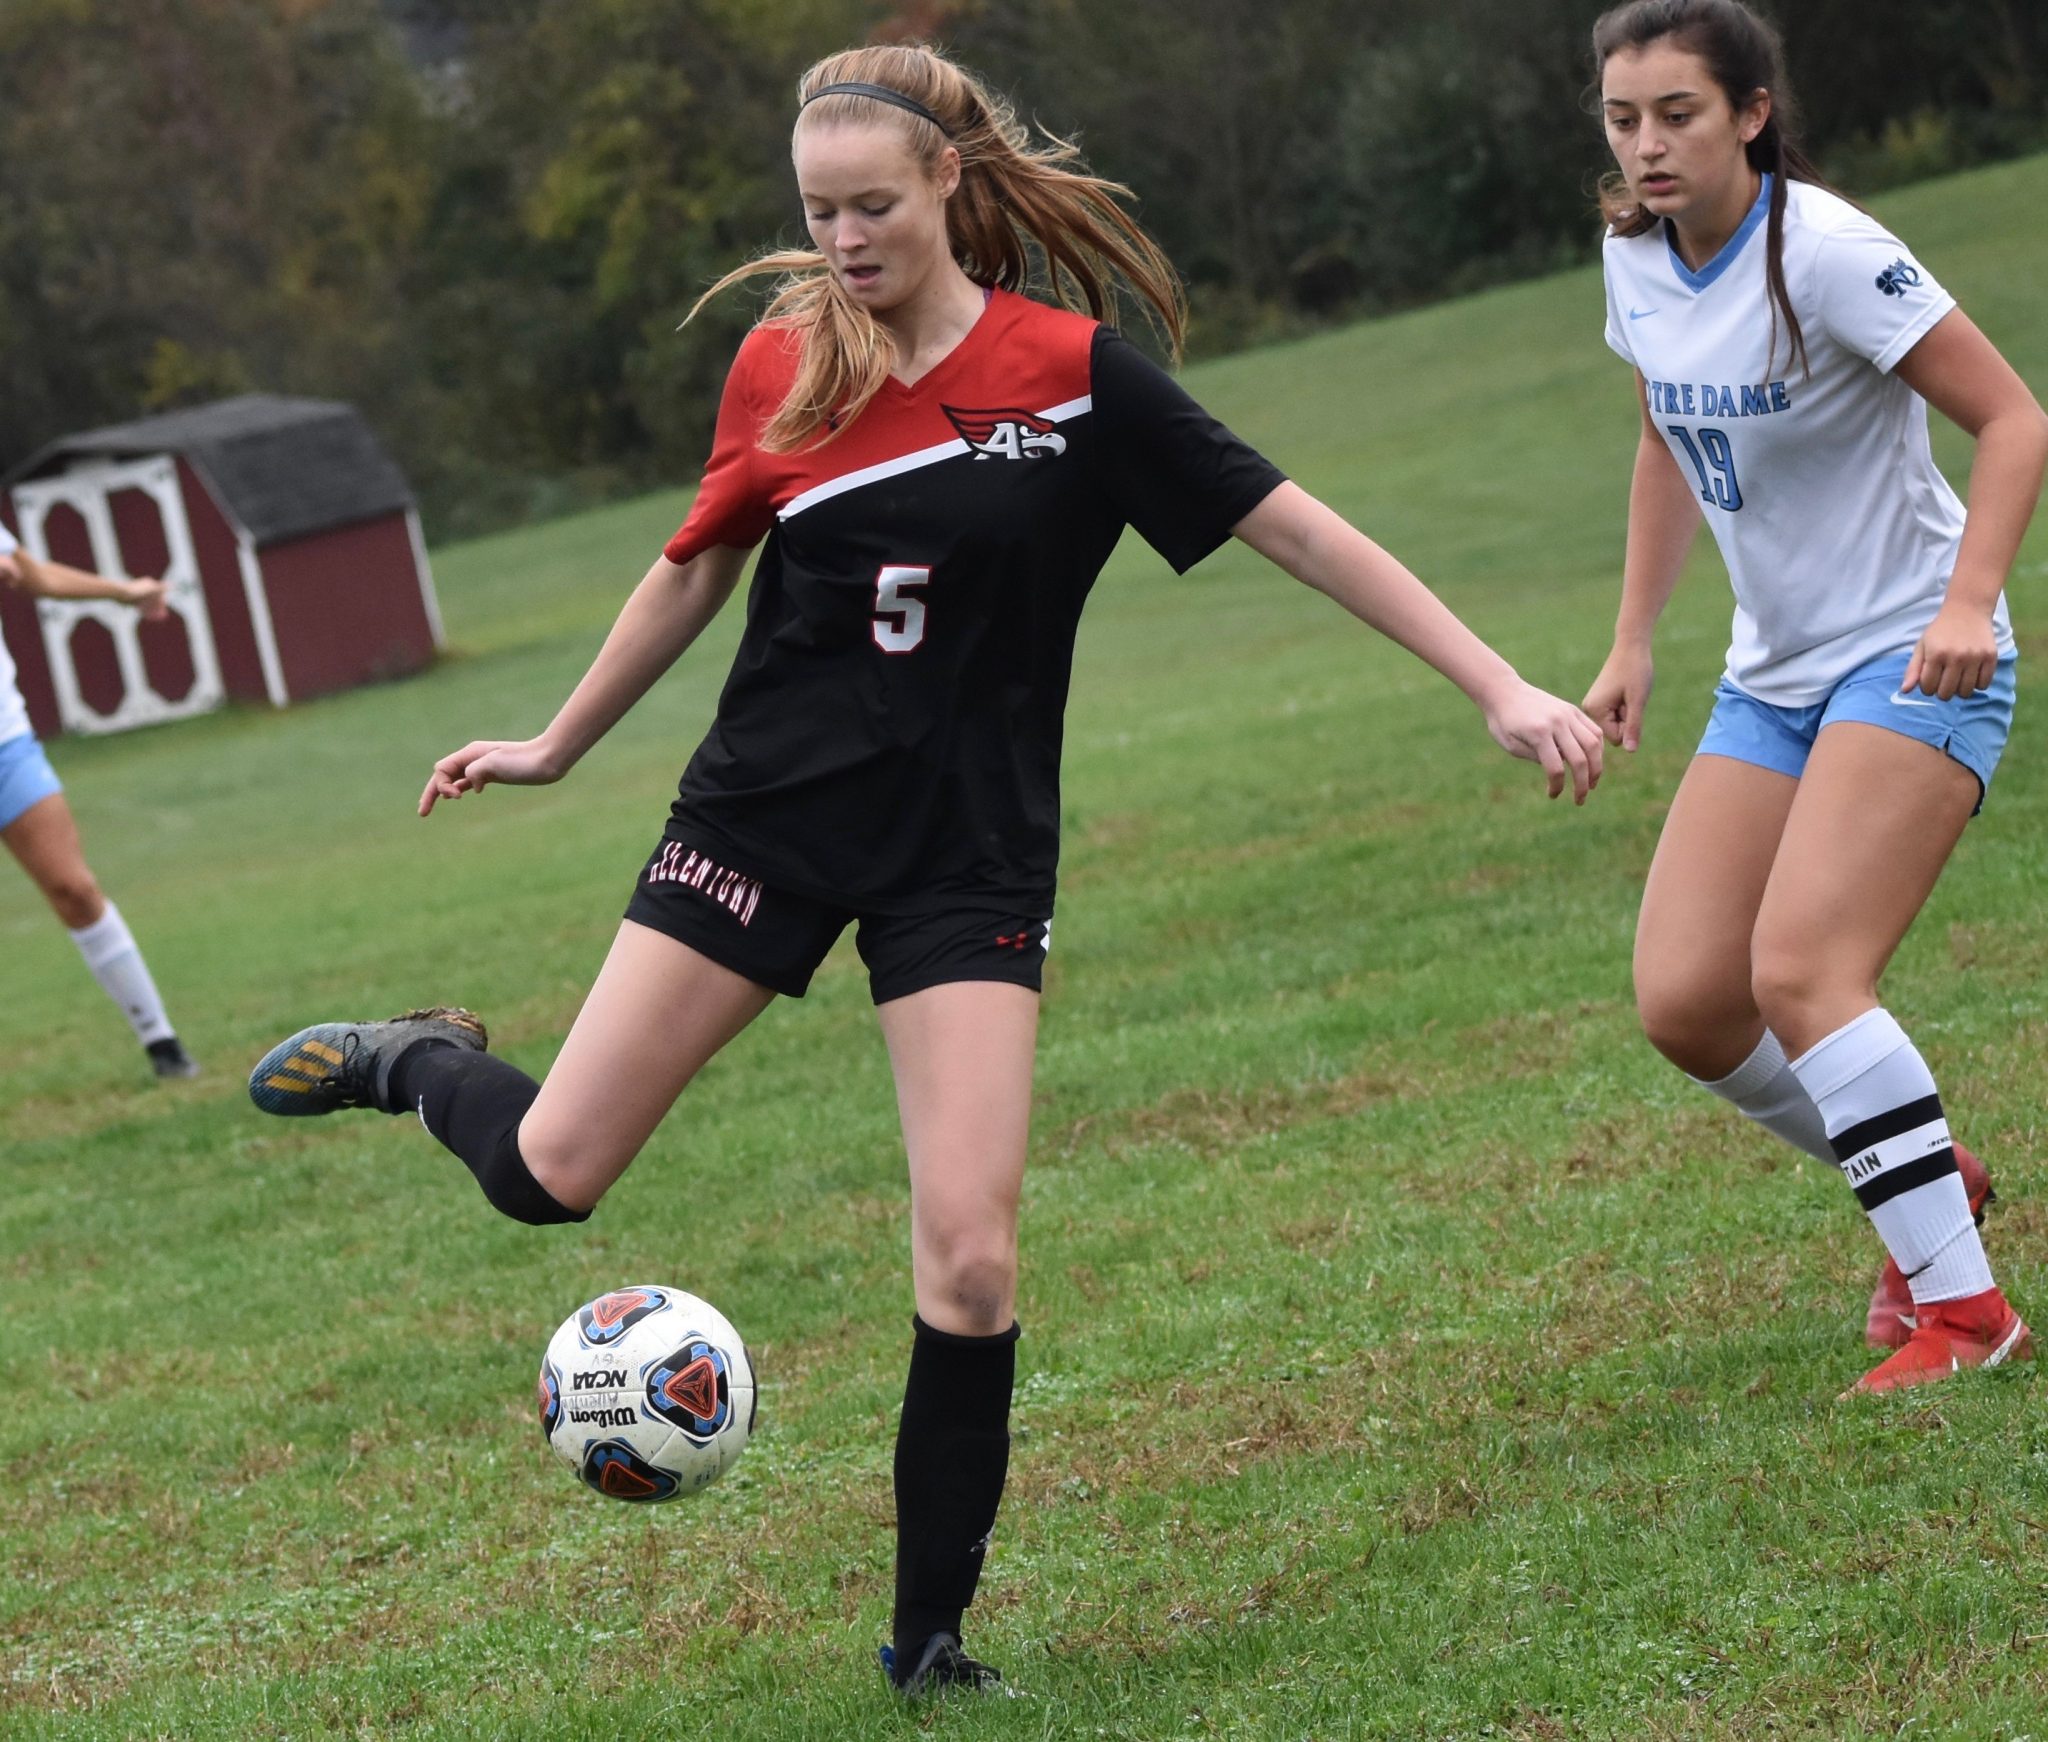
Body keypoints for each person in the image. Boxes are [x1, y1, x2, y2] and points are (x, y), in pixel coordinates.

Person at [248, 42, 1604, 1693]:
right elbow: (693, 567)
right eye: (817, 211)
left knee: (968, 1250)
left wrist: (1496, 684)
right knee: (552, 1173)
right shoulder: (782, 369)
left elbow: (1293, 527)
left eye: (871, 206)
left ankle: (925, 1644)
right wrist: (556, 742)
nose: (841, 239)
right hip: (765, 822)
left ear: (948, 184)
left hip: (962, 856)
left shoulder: (1072, 376)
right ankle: (422, 1059)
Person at [1582, 0, 2047, 1394]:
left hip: (1910, 655)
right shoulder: (1634, 257)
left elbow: (2016, 419)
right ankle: (1922, 1167)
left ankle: (1969, 1317)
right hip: (1767, 678)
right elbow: (1668, 433)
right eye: (1622, 117)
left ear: (1751, 113)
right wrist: (1632, 639)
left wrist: (1968, 602)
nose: (1649, 144)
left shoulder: (1830, 251)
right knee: (1689, 1004)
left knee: (1800, 974)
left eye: (1679, 113)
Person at [1, 523, 200, 1079]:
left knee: (75, 889)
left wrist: (123, 590)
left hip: (6, 744)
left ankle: (161, 1043)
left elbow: (33, 576)